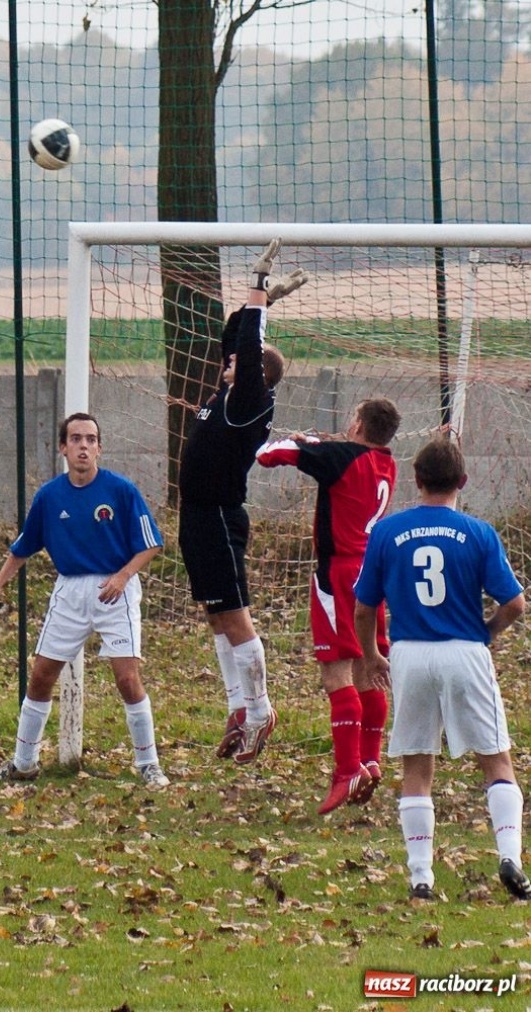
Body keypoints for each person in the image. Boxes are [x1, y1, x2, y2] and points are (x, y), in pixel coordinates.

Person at [354, 435, 529, 902]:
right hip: (464, 652)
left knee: (417, 764)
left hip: (409, 654)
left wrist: (372, 655)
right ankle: (509, 855)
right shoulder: (477, 532)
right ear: (463, 482)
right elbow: (514, 604)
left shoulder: (388, 533)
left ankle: (420, 878)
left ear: (416, 480)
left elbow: (364, 606)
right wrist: (488, 632)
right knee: (495, 759)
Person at [0, 411, 169, 789]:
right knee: (41, 675)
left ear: (99, 447)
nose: (84, 446)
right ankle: (24, 762)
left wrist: (123, 575)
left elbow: (152, 543)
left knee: (127, 678)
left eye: (91, 439)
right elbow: (23, 547)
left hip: (116, 592)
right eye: (77, 439)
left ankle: (148, 764)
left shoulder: (121, 491)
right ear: (63, 447)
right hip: (69, 592)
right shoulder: (50, 496)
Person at [178, 239, 308, 764]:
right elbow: (237, 337)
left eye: (239, 362)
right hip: (196, 517)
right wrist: (261, 302)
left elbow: (247, 348)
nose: (228, 361)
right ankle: (237, 706)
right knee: (215, 614)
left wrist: (257, 284)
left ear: (257, 375)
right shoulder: (227, 394)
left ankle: (260, 711)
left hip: (218, 519)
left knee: (235, 618)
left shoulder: (250, 401)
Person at [257, 396, 401, 813]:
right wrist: (319, 444)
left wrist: (305, 441)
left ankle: (347, 771)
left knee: (336, 673)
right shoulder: (386, 463)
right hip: (372, 574)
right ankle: (370, 760)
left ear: (357, 423)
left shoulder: (340, 456)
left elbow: (268, 455)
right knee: (368, 668)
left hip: (338, 574)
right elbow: (337, 456)